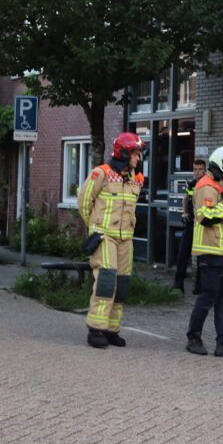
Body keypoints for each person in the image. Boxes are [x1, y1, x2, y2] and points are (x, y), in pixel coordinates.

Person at [78, 131, 146, 348]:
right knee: (107, 281)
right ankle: (96, 329)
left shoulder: (136, 178)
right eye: (136, 154)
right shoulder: (102, 174)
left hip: (126, 238)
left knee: (122, 284)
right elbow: (84, 201)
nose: (138, 158)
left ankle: (111, 329)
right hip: (104, 237)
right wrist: (95, 228)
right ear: (125, 153)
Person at [185, 146, 223, 358]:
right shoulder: (206, 187)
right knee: (208, 296)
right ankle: (193, 337)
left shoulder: (218, 187)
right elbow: (206, 217)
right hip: (209, 251)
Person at [173, 158, 206, 292]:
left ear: (205, 170)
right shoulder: (192, 184)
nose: (197, 172)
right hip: (191, 224)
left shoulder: (207, 185)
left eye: (200, 169)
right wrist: (185, 213)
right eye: (195, 169)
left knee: (201, 257)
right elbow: (186, 199)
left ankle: (199, 286)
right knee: (183, 253)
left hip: (203, 225)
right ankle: (178, 284)